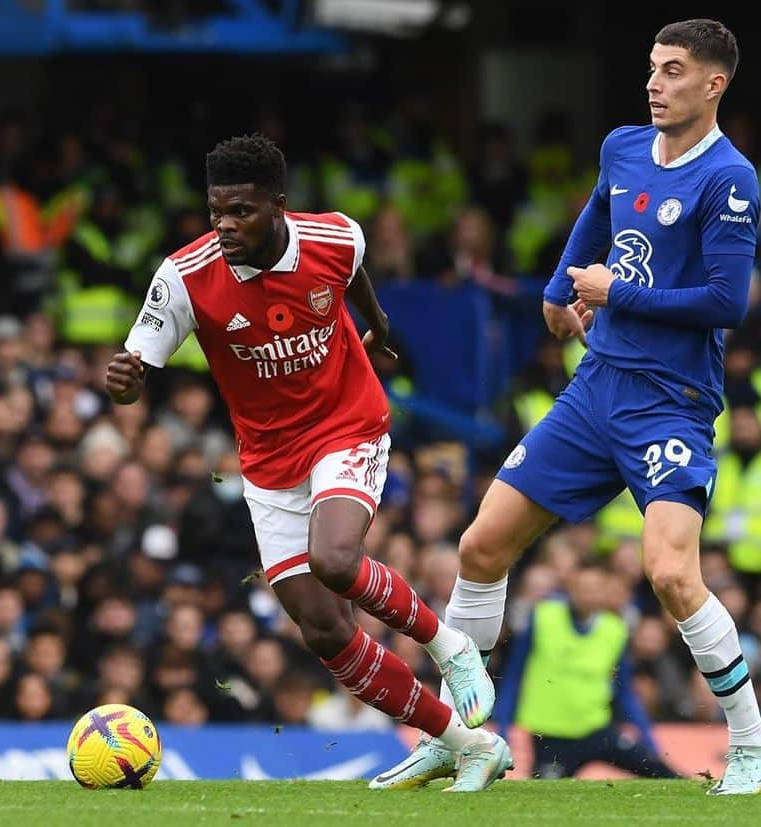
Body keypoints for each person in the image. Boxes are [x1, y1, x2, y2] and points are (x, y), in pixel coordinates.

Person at [376, 19, 761, 795]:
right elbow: (597, 214)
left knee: (669, 573)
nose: (655, 83)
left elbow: (727, 302)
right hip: (596, 387)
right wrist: (562, 291)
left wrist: (611, 290)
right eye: (653, 69)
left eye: (673, 71)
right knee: (481, 545)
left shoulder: (730, 178)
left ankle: (753, 746)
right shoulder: (624, 146)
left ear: (713, 84)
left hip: (671, 401)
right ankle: (464, 739)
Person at [105, 134, 508, 792]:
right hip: (268, 460)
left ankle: (450, 646)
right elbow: (133, 372)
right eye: (216, 212)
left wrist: (374, 323)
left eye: (240, 211)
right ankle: (464, 742)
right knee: (322, 628)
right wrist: (123, 380)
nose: (225, 226)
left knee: (336, 560)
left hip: (347, 424)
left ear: (278, 207)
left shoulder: (334, 237)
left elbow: (353, 274)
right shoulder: (183, 277)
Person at [497, 563, 677, 779]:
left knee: (662, 773)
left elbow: (624, 690)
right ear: (569, 588)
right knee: (544, 793)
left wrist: (648, 739)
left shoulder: (614, 629)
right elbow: (513, 674)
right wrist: (504, 727)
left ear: (603, 592)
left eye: (595, 588)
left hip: (596, 729)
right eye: (583, 587)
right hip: (550, 735)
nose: (588, 594)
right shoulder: (543, 617)